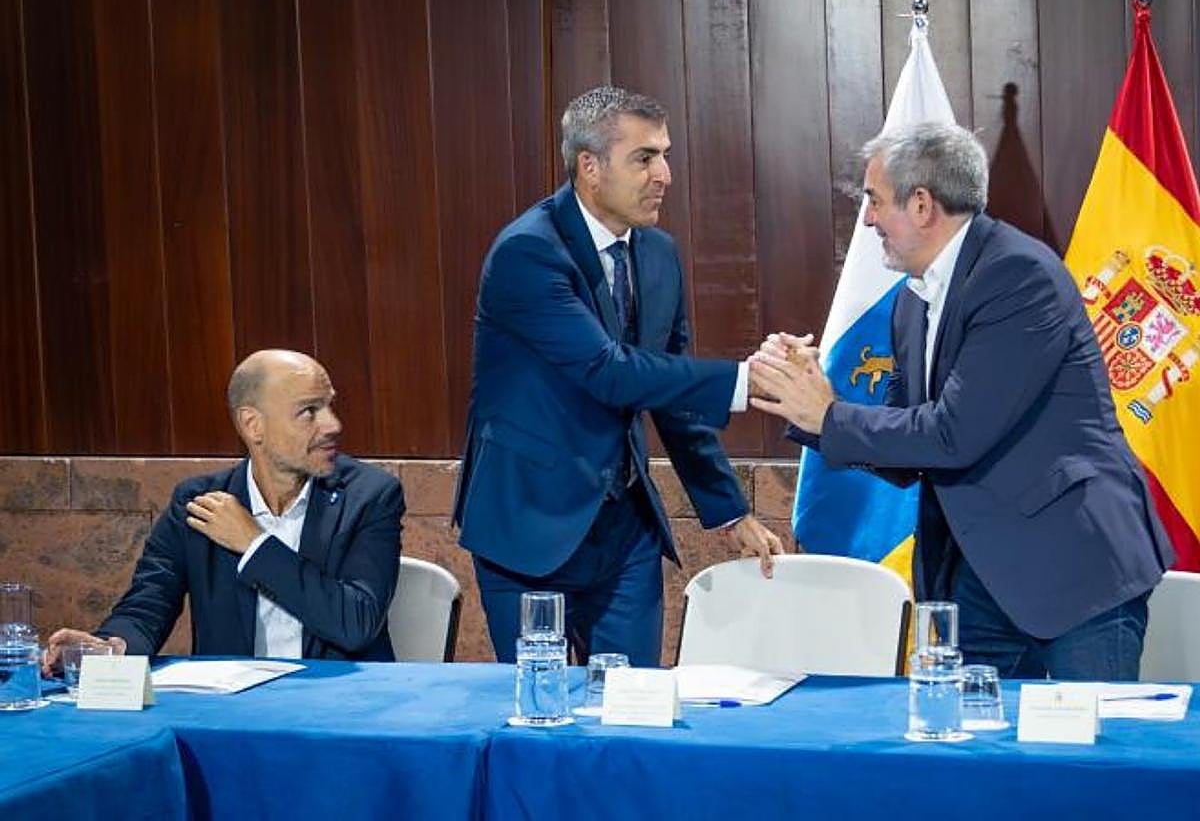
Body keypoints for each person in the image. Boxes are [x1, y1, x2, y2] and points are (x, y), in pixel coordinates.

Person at [750, 122, 1173, 680]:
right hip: (976, 578)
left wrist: (827, 416)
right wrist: (813, 402)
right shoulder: (911, 302)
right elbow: (908, 448)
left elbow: (953, 435)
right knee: (973, 755)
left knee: (1089, 759)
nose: (869, 218)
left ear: (922, 204)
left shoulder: (1018, 276)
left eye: (874, 201)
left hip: (1073, 569)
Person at [453, 85, 782, 667]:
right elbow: (607, 371)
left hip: (625, 529)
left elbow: (670, 394)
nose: (665, 175)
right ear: (589, 167)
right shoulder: (527, 253)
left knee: (634, 709)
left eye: (665, 154)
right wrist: (742, 381)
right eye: (645, 158)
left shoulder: (658, 255)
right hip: (529, 526)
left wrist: (729, 509)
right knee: (544, 720)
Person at [44, 350, 404, 669]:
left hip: (340, 710)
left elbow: (356, 622)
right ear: (253, 425)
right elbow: (147, 605)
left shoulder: (370, 496)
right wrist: (108, 649)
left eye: (330, 405)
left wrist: (255, 544)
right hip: (232, 712)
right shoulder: (199, 502)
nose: (333, 424)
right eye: (309, 411)